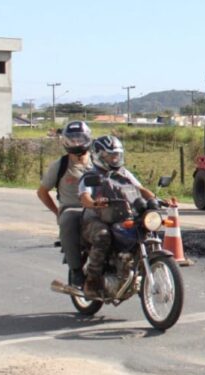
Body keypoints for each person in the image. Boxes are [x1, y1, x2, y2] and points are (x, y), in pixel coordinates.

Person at [78, 135, 156, 297]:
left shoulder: (124, 173)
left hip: (121, 216)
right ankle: (92, 282)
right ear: (99, 155)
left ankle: (133, 269)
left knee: (145, 230)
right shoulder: (90, 175)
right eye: (110, 154)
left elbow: (140, 189)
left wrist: (155, 199)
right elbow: (84, 196)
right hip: (95, 218)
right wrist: (94, 203)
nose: (115, 158)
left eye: (117, 154)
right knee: (103, 236)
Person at [36, 120, 94, 288]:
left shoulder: (98, 161)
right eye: (72, 138)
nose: (76, 142)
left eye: (80, 138)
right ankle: (76, 270)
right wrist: (57, 212)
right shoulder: (60, 165)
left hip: (97, 206)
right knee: (68, 220)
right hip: (73, 208)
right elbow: (42, 192)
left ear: (87, 138)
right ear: (65, 141)